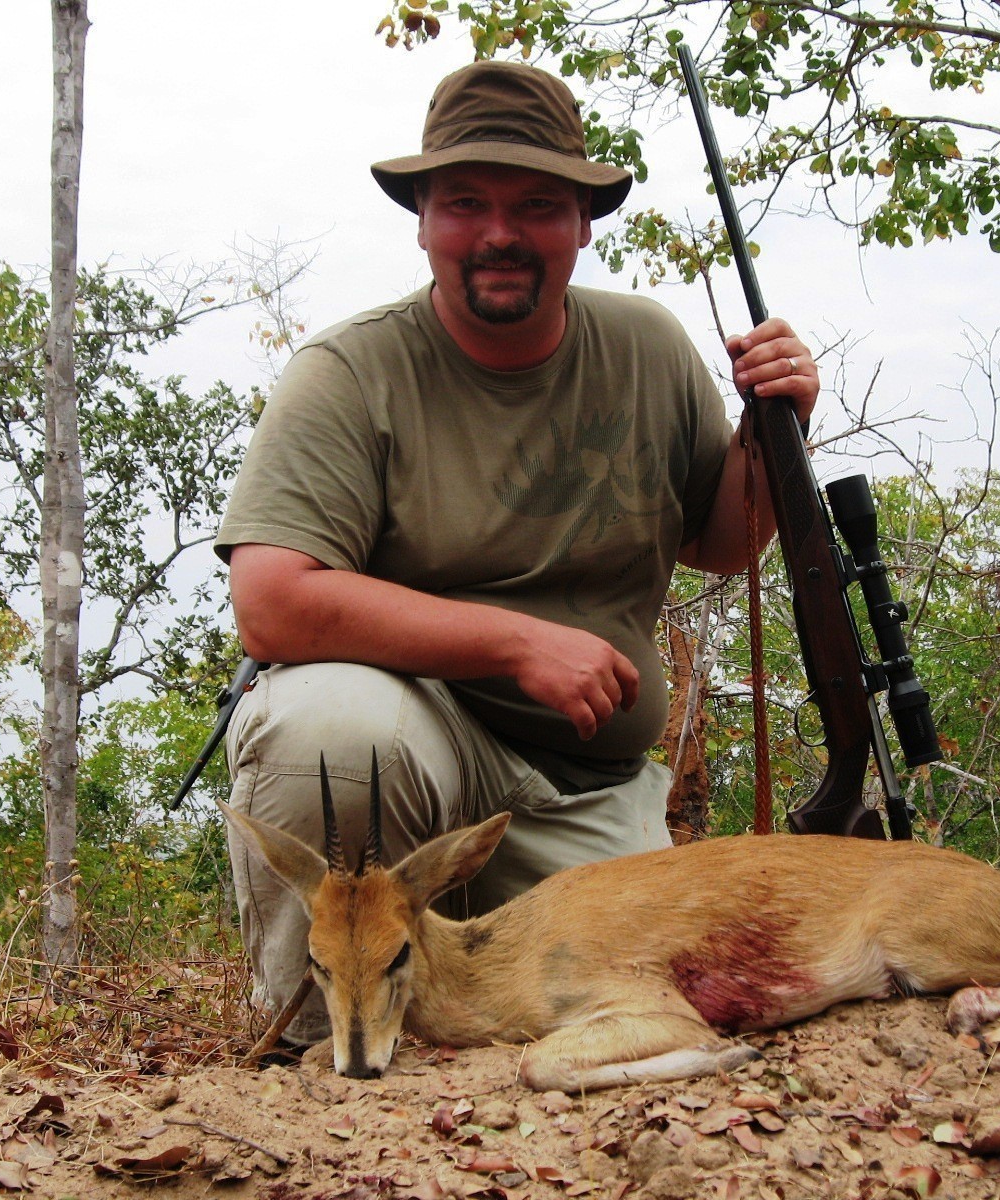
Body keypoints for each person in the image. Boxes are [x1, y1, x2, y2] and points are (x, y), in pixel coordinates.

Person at [215, 59, 821, 1046]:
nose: (500, 233)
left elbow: (721, 544)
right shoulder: (347, 371)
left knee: (669, 997)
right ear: (420, 218)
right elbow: (272, 604)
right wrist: (514, 644)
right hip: (415, 756)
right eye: (465, 203)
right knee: (328, 726)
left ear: (583, 222)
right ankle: (313, 1043)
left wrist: (772, 432)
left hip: (587, 781)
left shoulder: (649, 348)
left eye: (538, 204)